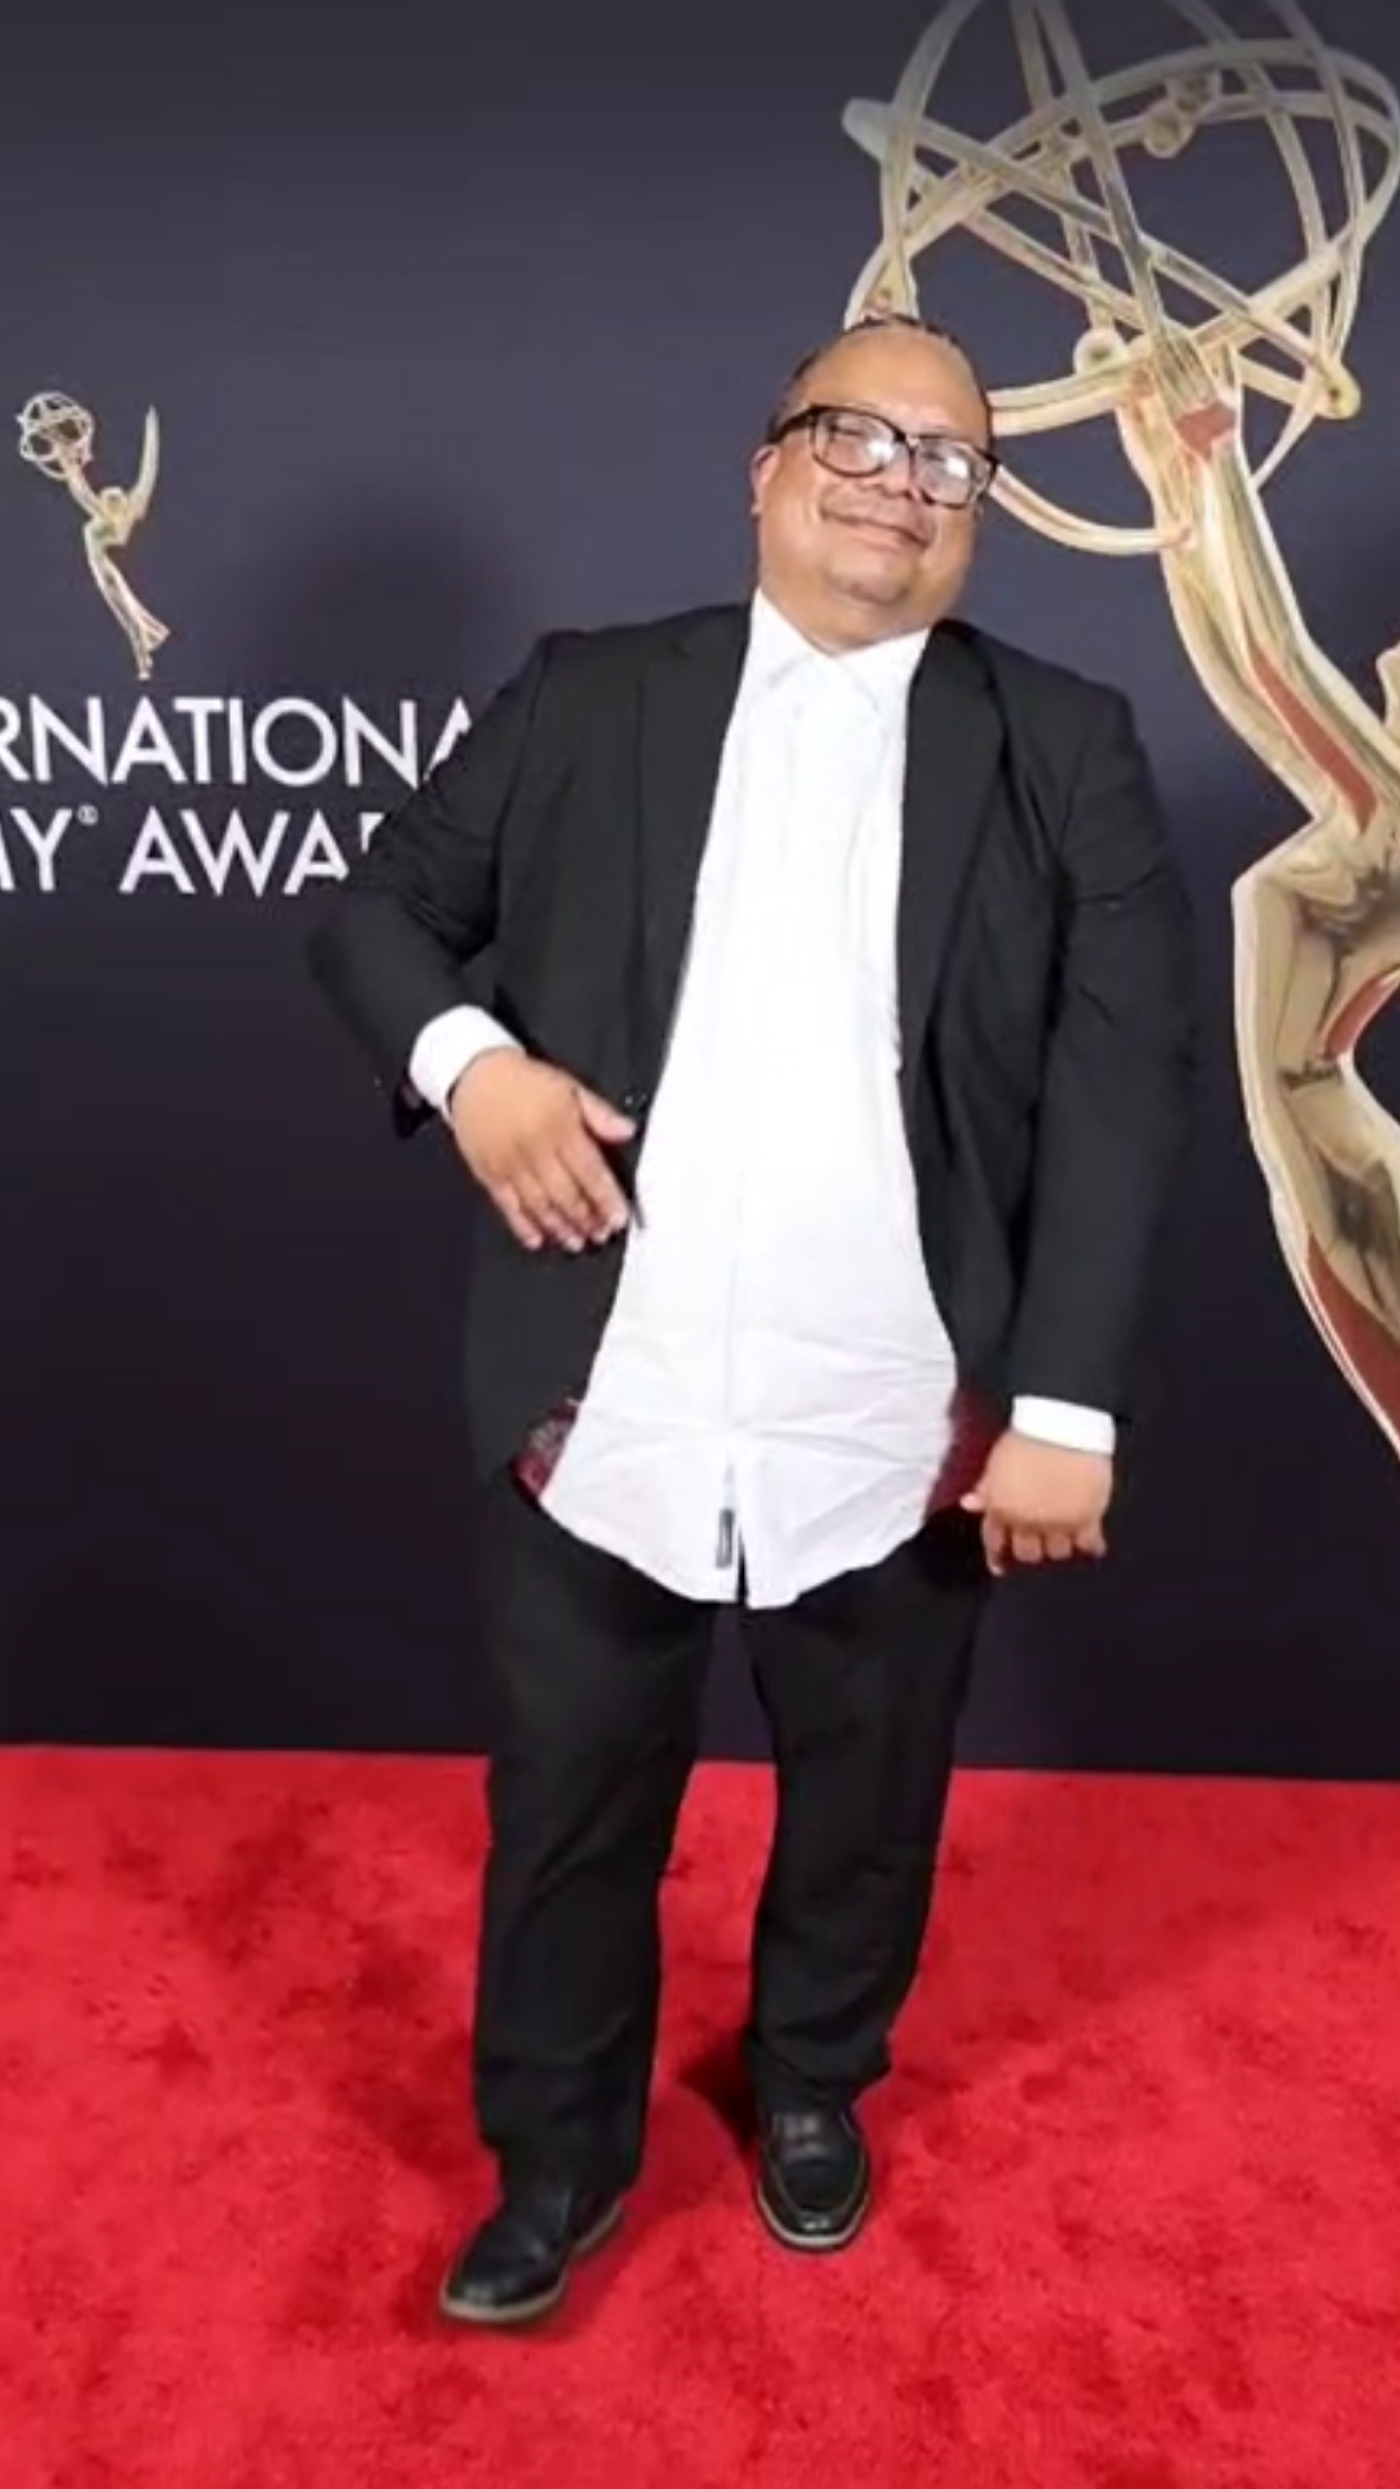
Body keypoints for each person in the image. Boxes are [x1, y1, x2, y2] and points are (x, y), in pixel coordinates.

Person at [307, 309, 1196, 2329]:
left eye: (948, 459)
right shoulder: (588, 696)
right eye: (856, 436)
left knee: (868, 1803)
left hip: (901, 1412)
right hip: (597, 1395)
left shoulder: (1062, 745)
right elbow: (372, 915)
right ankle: (556, 2156)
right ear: (765, 464)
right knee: (566, 1817)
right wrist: (477, 1070)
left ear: (984, 510)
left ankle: (811, 2079)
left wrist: (1063, 1399)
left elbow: (1125, 1077)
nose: (900, 477)